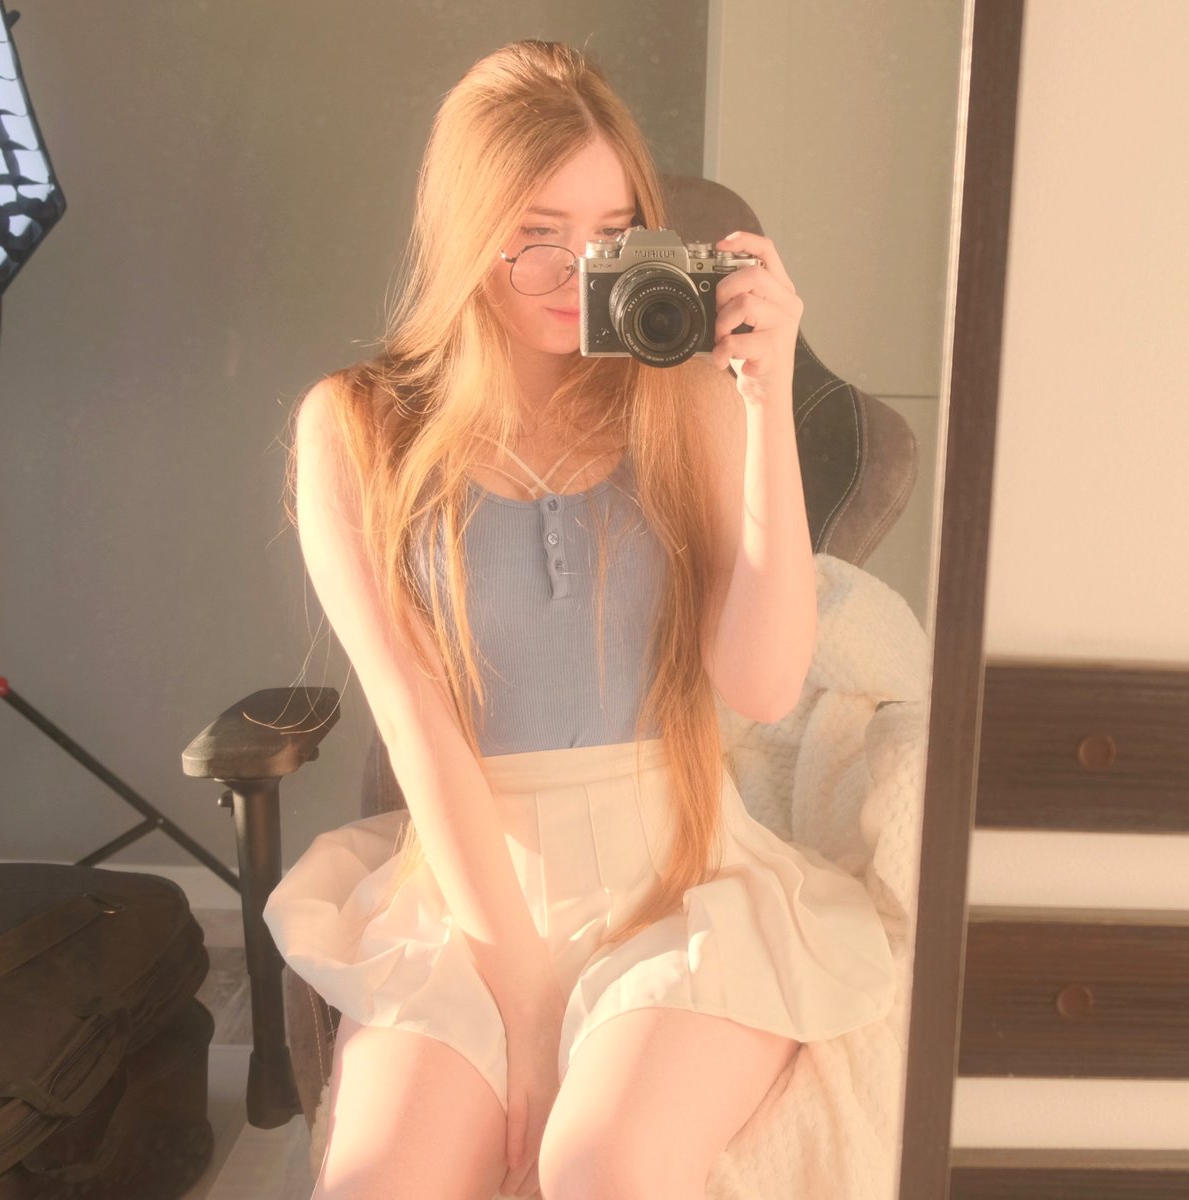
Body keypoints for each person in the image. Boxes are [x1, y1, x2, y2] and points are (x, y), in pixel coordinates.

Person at [264, 39, 896, 1200]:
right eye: (537, 231)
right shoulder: (356, 428)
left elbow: (762, 688)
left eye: (611, 231)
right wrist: (526, 1013)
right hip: (467, 895)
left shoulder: (686, 402)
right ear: (467, 227)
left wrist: (765, 404)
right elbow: (416, 726)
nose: (576, 269)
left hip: (680, 885)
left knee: (600, 1165)